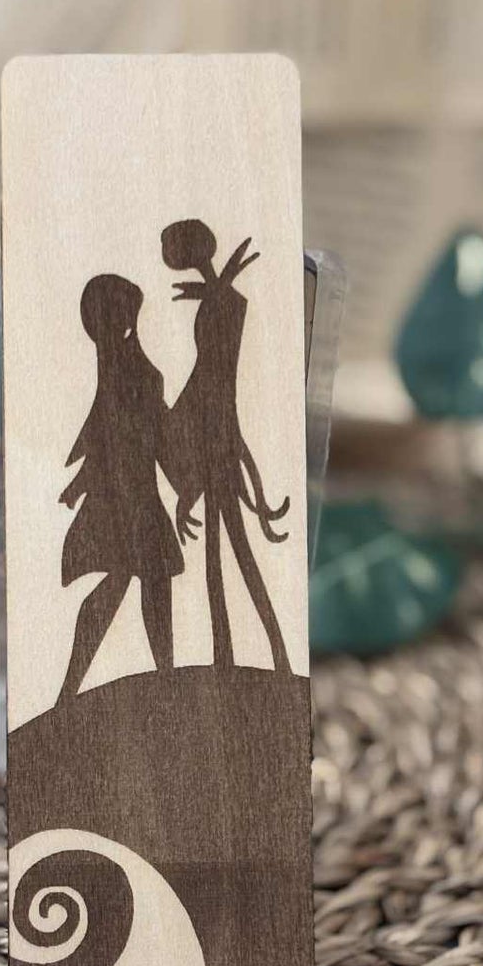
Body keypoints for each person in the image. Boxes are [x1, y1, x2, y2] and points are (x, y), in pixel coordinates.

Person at [161, 218, 290, 673]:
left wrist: (188, 477)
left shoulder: (223, 301)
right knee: (226, 554)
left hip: (215, 434)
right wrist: (214, 288)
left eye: (171, 247)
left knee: (231, 554)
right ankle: (249, 658)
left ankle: (264, 658)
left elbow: (210, 379)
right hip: (214, 430)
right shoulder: (222, 298)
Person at [57, 273, 187, 703]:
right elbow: (112, 434)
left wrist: (182, 482)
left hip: (134, 496)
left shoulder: (129, 367)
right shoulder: (117, 364)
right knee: (137, 585)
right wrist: (81, 483)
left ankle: (160, 675)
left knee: (140, 585)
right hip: (125, 498)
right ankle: (158, 676)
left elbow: (147, 434)